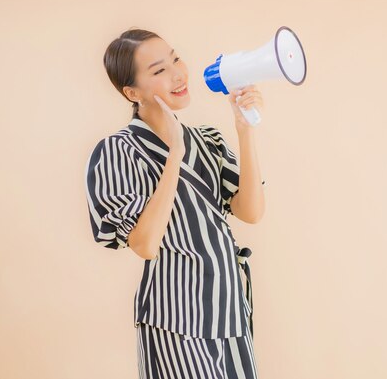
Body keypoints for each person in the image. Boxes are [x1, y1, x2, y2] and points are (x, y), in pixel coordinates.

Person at [84, 28, 266, 378]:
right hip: (174, 318)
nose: (178, 74)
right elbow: (145, 243)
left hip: (229, 310)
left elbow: (251, 212)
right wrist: (175, 154)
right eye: (159, 70)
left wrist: (245, 130)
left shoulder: (208, 141)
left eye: (176, 58)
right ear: (132, 92)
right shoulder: (118, 152)